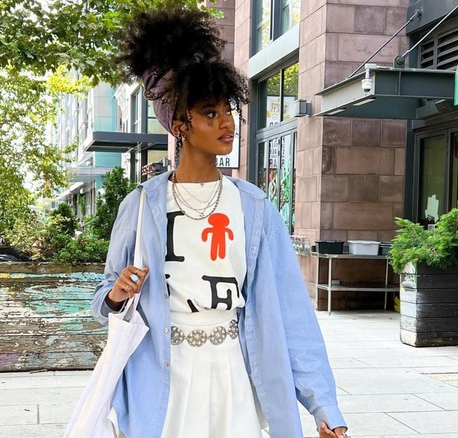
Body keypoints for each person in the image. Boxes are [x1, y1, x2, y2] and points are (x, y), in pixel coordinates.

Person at [90, 7, 348, 438]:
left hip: (232, 375)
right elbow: (105, 296)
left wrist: (323, 405)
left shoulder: (254, 207)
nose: (227, 122)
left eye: (228, 110)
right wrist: (117, 294)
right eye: (210, 113)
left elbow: (291, 311)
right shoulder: (140, 206)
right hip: (162, 379)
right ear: (179, 125)